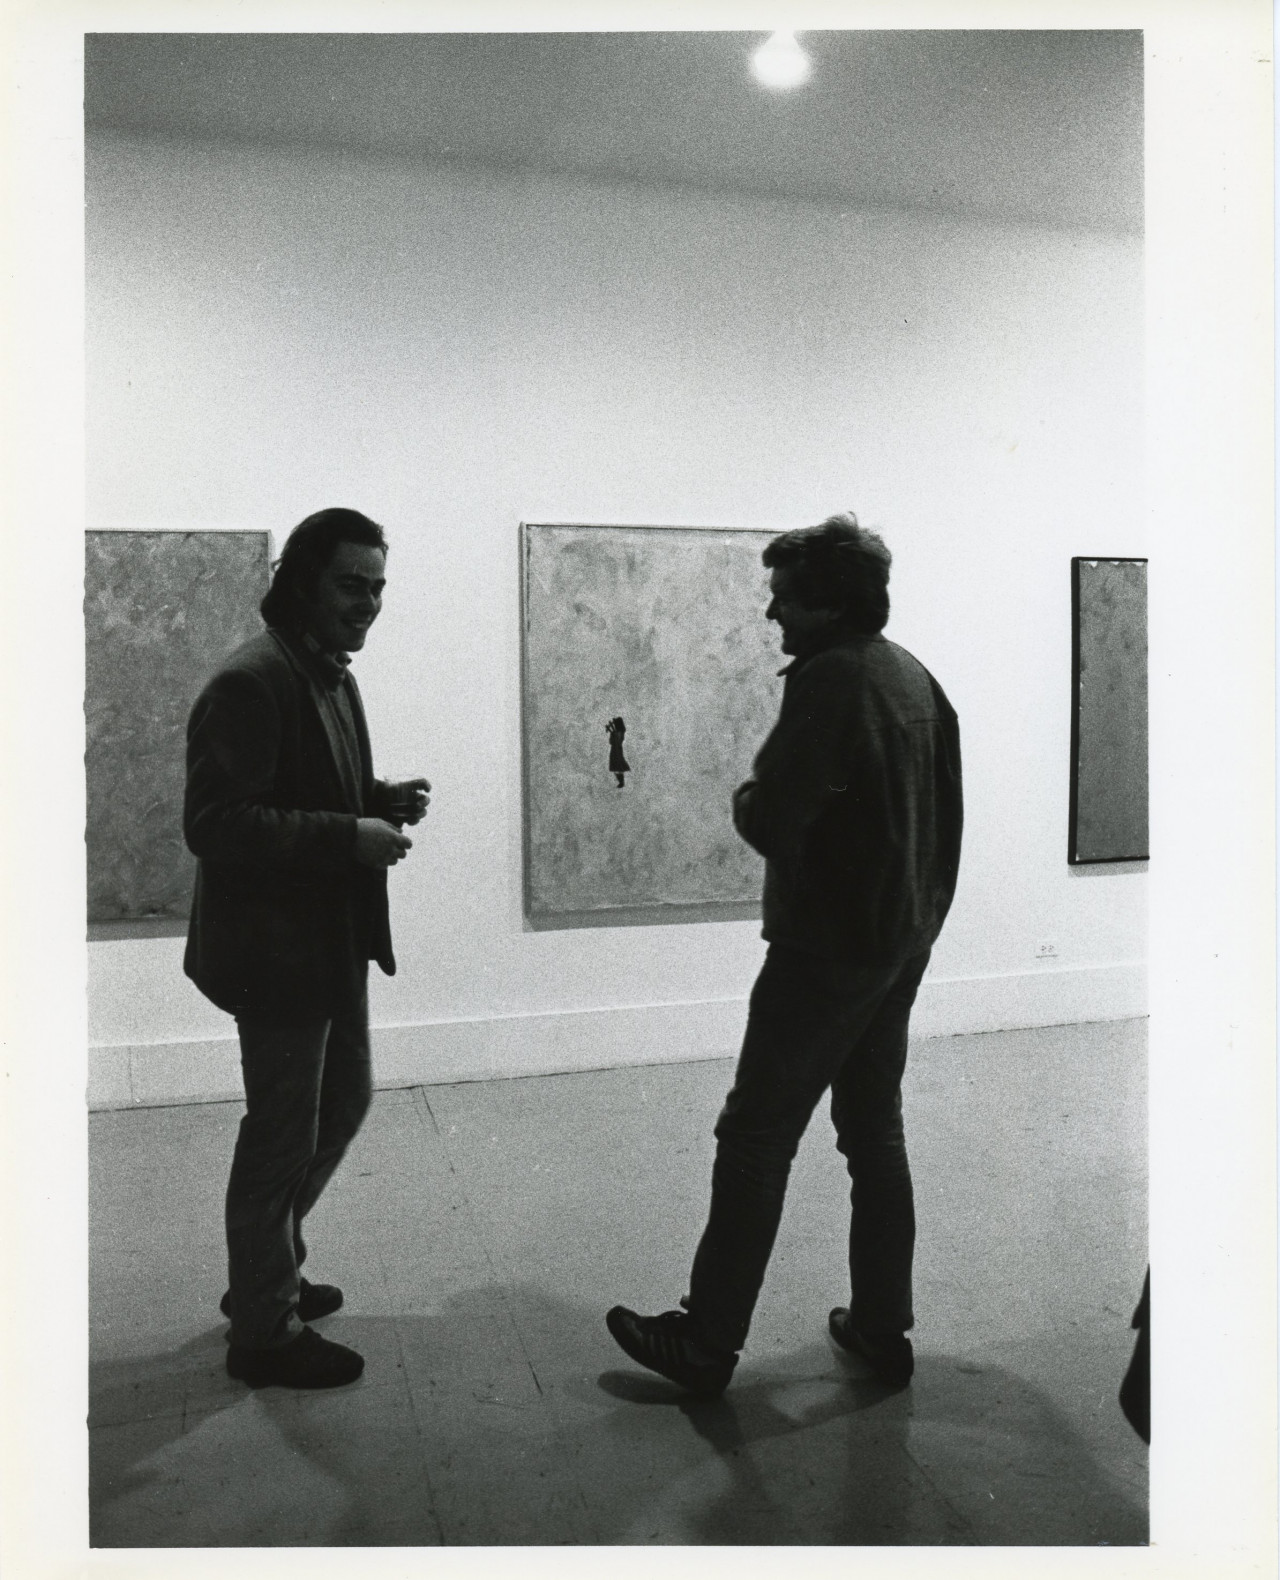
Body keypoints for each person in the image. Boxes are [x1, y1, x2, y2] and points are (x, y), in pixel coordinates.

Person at [607, 512, 962, 1395]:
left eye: (786, 601)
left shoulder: (833, 681)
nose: (774, 617)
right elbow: (949, 819)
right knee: (873, 1129)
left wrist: (743, 794)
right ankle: (883, 1327)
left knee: (755, 1135)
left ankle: (706, 1340)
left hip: (828, 950)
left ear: (831, 604)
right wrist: (919, 922)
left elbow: (772, 817)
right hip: (899, 942)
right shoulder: (913, 676)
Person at [184, 507, 430, 1389]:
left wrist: (378, 796)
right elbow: (215, 823)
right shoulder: (252, 679)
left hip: (329, 946)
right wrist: (347, 836)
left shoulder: (328, 673)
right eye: (351, 585)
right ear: (302, 582)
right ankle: (264, 1330)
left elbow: (309, 786)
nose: (368, 605)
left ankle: (266, 1270)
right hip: (277, 955)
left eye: (377, 588)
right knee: (283, 1135)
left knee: (342, 1106)